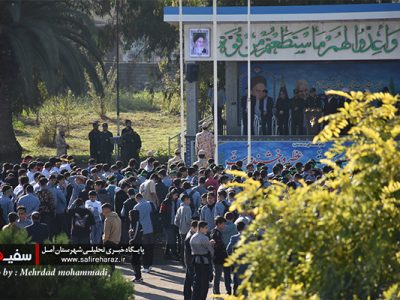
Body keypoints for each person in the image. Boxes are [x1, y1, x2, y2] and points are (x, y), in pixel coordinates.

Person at [190, 221, 214, 300]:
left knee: (197, 282)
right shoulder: (204, 238)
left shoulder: (193, 237)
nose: (207, 229)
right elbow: (211, 251)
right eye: (206, 228)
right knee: (204, 284)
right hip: (205, 262)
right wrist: (211, 244)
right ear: (201, 228)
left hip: (196, 261)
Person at [133, 193, 154, 273]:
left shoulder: (136, 207)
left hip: (142, 230)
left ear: (137, 198)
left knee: (144, 249)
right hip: (150, 228)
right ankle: (150, 265)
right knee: (150, 248)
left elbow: (136, 219)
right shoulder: (149, 204)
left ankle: (145, 267)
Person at [211, 216, 231, 295]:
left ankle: (228, 290)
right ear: (218, 224)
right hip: (218, 257)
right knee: (218, 275)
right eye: (223, 224)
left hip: (223, 257)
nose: (224, 226)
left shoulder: (220, 232)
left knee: (226, 275)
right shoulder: (214, 233)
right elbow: (215, 245)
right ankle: (216, 292)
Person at [227, 221, 247, 295]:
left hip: (237, 262)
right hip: (247, 262)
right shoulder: (249, 238)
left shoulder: (234, 238)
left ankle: (235, 295)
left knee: (236, 281)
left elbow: (228, 249)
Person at [160, 189, 180, 260]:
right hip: (168, 223)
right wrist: (164, 222)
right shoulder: (165, 202)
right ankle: (174, 254)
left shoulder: (175, 201)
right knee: (172, 239)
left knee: (169, 239)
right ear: (172, 194)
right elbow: (161, 213)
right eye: (176, 195)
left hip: (173, 223)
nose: (176, 196)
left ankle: (166, 254)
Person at [174, 194, 193, 265]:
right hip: (187, 230)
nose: (190, 201)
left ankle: (182, 262)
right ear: (186, 200)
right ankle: (187, 263)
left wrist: (180, 226)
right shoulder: (187, 208)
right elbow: (188, 220)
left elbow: (175, 221)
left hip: (181, 230)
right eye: (189, 199)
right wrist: (193, 223)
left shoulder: (180, 208)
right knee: (187, 248)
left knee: (182, 246)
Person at [183, 220, 198, 300]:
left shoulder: (191, 235)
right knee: (191, 281)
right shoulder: (190, 237)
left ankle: (187, 296)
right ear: (193, 227)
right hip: (190, 262)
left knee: (188, 280)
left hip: (189, 261)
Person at [129, 209, 143, 283]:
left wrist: (131, 240)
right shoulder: (133, 223)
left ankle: (138, 277)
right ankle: (137, 276)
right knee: (134, 261)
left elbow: (135, 235)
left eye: (130, 215)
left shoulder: (137, 223)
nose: (129, 217)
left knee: (135, 261)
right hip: (134, 244)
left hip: (137, 245)